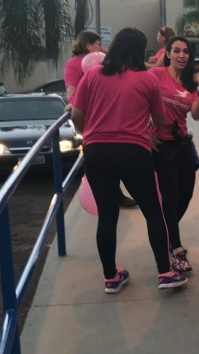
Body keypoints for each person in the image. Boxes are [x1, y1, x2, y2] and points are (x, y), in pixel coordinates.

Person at [71, 27, 188, 293]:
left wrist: (92, 133)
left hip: (96, 152)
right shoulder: (147, 80)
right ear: (139, 51)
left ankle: (111, 277)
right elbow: (160, 120)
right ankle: (165, 273)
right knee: (153, 211)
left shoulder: (92, 75)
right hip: (133, 151)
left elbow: (77, 115)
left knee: (107, 215)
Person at [149, 36, 199, 273]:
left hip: (182, 143)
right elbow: (138, 101)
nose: (182, 55)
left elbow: (196, 115)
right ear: (168, 54)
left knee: (186, 193)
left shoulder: (190, 83)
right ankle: (175, 247)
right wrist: (145, 131)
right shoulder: (156, 75)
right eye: (177, 50)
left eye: (186, 51)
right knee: (170, 195)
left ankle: (166, 231)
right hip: (160, 144)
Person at [64, 31, 137, 210]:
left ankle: (115, 194)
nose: (101, 46)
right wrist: (75, 104)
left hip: (108, 111)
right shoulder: (74, 64)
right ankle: (105, 196)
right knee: (96, 158)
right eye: (97, 43)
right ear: (88, 45)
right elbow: (72, 89)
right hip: (89, 114)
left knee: (114, 153)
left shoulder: (105, 59)